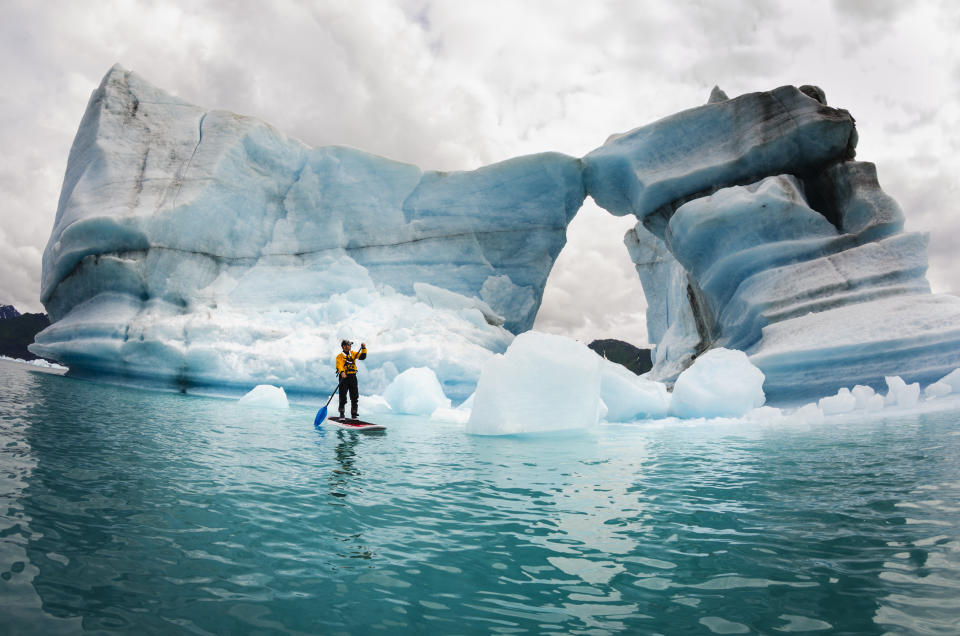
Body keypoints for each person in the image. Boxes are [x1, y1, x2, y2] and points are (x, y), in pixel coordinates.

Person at [336, 339, 367, 419]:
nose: (348, 346)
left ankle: (354, 414)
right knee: (342, 396)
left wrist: (363, 348)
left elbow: (363, 357)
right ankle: (342, 413)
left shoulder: (353, 354)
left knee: (354, 396)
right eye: (346, 345)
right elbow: (339, 365)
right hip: (344, 377)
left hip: (352, 377)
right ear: (343, 346)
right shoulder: (339, 356)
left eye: (349, 345)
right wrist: (342, 372)